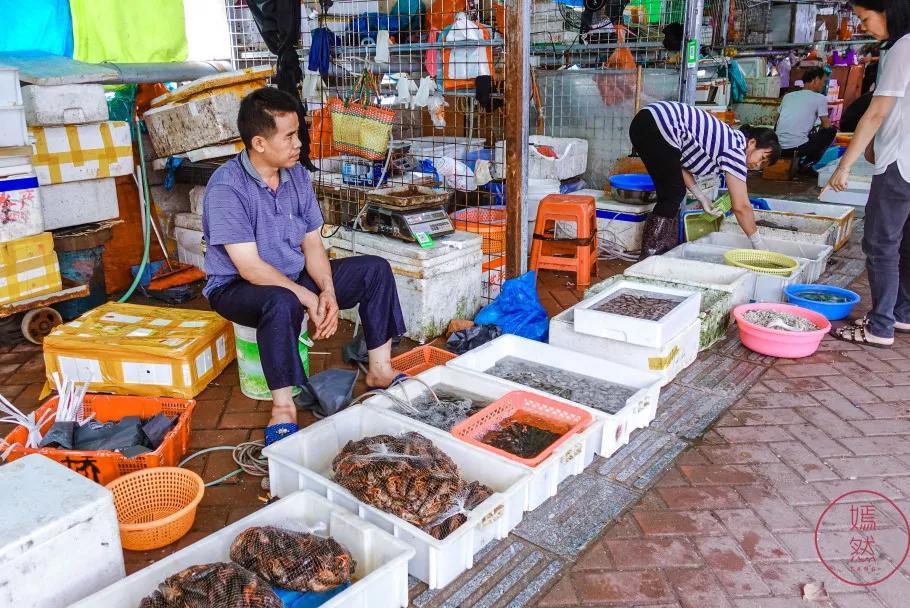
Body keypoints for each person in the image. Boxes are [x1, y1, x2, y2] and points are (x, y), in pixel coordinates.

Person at [201, 87, 406, 444]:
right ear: (259, 143)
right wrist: (307, 298)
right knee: (282, 302)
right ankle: (283, 406)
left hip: (293, 276)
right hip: (236, 287)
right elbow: (249, 267)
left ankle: (380, 371)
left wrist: (325, 290)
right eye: (290, 136)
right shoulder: (227, 187)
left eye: (299, 133)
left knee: (375, 270)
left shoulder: (296, 175)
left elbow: (312, 242)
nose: (299, 144)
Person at [824, 0, 910, 348]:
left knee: (880, 243)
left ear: (888, 10)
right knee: (904, 241)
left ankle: (880, 326)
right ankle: (901, 313)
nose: (865, 26)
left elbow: (875, 114)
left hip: (900, 162)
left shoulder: (903, 48)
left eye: (865, 18)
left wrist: (845, 165)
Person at [629, 101, 781, 259]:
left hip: (646, 121)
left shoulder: (731, 141)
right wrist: (758, 244)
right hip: (656, 123)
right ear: (752, 143)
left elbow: (678, 165)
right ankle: (650, 256)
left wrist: (701, 197)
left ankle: (658, 251)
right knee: (673, 194)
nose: (757, 165)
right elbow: (741, 206)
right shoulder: (736, 149)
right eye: (762, 157)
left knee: (673, 192)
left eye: (763, 165)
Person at [775, 67, 837, 173]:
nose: (823, 85)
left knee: (811, 133)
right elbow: (827, 126)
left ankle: (799, 161)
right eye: (823, 82)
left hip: (777, 146)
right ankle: (807, 164)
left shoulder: (788, 96)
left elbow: (777, 121)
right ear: (816, 80)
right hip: (796, 148)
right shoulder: (820, 98)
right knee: (831, 131)